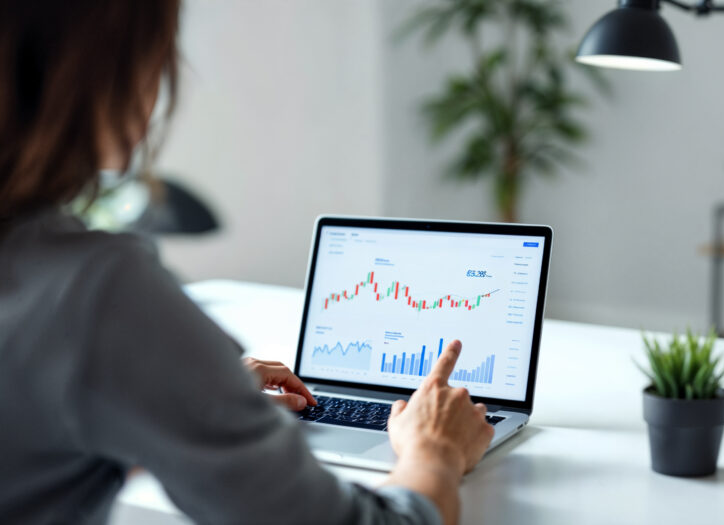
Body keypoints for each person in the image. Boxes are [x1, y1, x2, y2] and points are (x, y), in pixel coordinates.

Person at [0, 2, 494, 524]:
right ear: (102, 69)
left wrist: (176, 405)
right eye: (161, 50)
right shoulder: (98, 292)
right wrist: (434, 451)